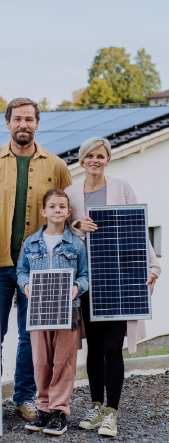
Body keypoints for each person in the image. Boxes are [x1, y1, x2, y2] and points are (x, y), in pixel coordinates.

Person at [0, 98, 72, 421]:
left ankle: (24, 397)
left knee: (31, 337)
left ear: (37, 124)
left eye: (29, 119)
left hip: (39, 269)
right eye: (17, 119)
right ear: (7, 123)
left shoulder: (56, 166)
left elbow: (70, 209)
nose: (23, 125)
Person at [65, 136, 161, 437]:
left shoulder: (122, 188)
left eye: (101, 156)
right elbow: (65, 234)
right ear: (82, 160)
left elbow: (137, 228)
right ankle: (95, 406)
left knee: (111, 347)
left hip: (119, 279)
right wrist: (77, 227)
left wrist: (153, 267)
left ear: (108, 159)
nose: (95, 160)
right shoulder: (71, 193)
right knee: (93, 348)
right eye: (89, 155)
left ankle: (111, 413)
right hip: (87, 281)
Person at [16, 188, 89, 436]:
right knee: (40, 361)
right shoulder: (30, 243)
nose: (57, 210)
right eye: (52, 206)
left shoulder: (77, 245)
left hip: (71, 310)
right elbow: (22, 272)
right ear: (43, 211)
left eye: (62, 207)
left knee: (64, 362)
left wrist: (76, 287)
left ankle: (59, 411)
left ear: (69, 213)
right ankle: (43, 409)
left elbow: (86, 275)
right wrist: (25, 285)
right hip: (38, 310)